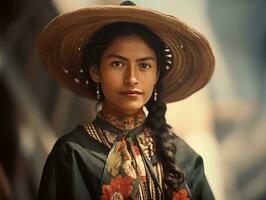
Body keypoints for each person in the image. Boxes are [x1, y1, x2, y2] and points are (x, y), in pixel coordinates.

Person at [37, 1, 215, 199]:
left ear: (157, 75)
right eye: (117, 63)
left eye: (144, 66)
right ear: (96, 71)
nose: (131, 78)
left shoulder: (183, 157)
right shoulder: (73, 154)